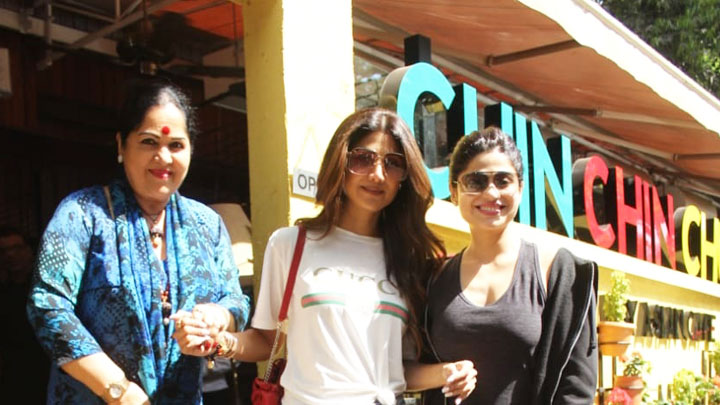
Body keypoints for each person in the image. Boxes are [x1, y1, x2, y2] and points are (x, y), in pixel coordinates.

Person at [174, 107, 477, 404]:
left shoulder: (407, 260)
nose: (377, 174)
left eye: (393, 163)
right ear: (341, 162)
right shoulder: (290, 244)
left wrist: (445, 373)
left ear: (403, 178)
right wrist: (217, 342)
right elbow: (265, 342)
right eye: (363, 159)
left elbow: (398, 370)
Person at [26, 79, 250, 404]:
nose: (163, 157)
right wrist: (118, 390)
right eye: (149, 142)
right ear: (121, 145)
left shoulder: (207, 224)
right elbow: (47, 304)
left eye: (176, 145)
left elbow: (236, 300)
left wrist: (218, 317)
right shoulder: (83, 213)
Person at [422, 127, 598, 404]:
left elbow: (577, 389)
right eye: (476, 181)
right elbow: (405, 366)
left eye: (503, 180)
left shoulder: (557, 271)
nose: (491, 192)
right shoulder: (433, 277)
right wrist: (441, 374)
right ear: (454, 192)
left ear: (520, 188)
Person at [0, 226, 50, 404]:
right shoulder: (4, 293)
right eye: (3, 251)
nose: (10, 255)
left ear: (29, 250)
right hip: (13, 375)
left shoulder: (47, 289)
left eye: (16, 248)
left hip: (47, 369)